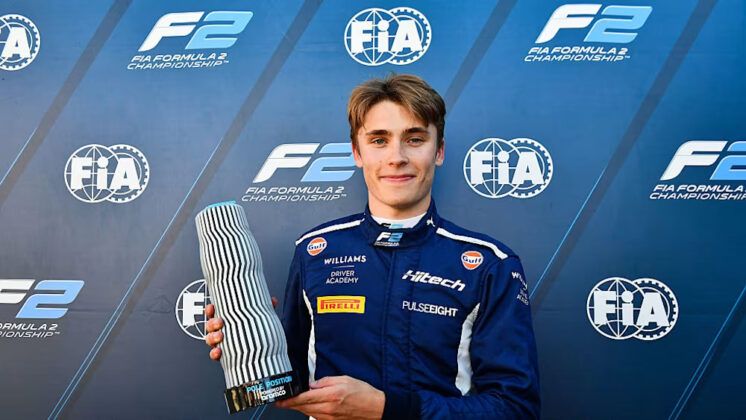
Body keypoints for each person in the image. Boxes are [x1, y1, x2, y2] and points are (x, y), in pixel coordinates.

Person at [205, 74, 540, 419]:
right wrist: (246, 344)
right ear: (357, 152)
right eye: (379, 140)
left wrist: (385, 409)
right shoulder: (315, 250)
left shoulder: (490, 265)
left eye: (415, 139)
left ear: (438, 151)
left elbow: (516, 409)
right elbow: (283, 385)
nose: (396, 157)